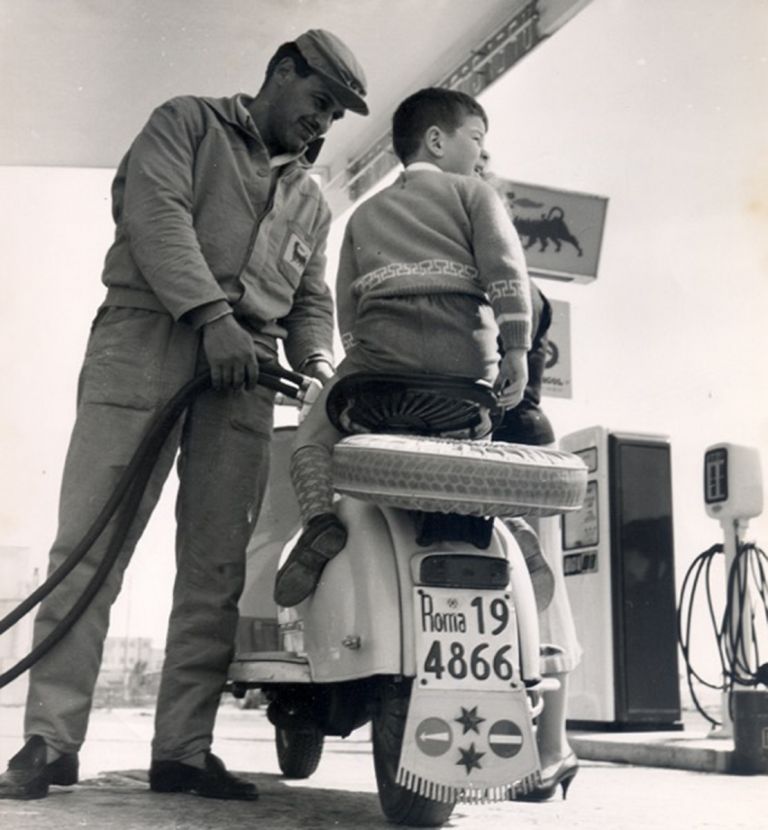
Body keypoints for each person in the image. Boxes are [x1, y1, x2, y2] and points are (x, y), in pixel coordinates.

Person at [0, 29, 368, 801]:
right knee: (90, 545)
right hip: (145, 339)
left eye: (335, 117)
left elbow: (309, 302)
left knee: (215, 566)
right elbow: (155, 215)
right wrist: (211, 317)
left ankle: (184, 751)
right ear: (280, 71)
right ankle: (49, 739)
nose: (323, 125)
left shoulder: (311, 197)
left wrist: (322, 368)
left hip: (244, 374)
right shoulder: (187, 122)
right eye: (318, 102)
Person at [274, 86, 533, 608]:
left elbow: (347, 307)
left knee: (311, 436)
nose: (481, 155)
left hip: (381, 366)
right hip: (465, 361)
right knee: (474, 439)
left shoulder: (366, 214)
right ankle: (516, 530)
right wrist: (517, 349)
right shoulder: (475, 195)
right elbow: (506, 270)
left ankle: (319, 521)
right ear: (437, 141)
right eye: (476, 140)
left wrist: (359, 360)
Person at [478, 151, 582, 800]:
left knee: (523, 594)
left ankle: (547, 749)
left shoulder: (498, 278)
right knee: (531, 593)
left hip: (509, 447)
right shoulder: (519, 280)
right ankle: (547, 750)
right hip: (527, 449)